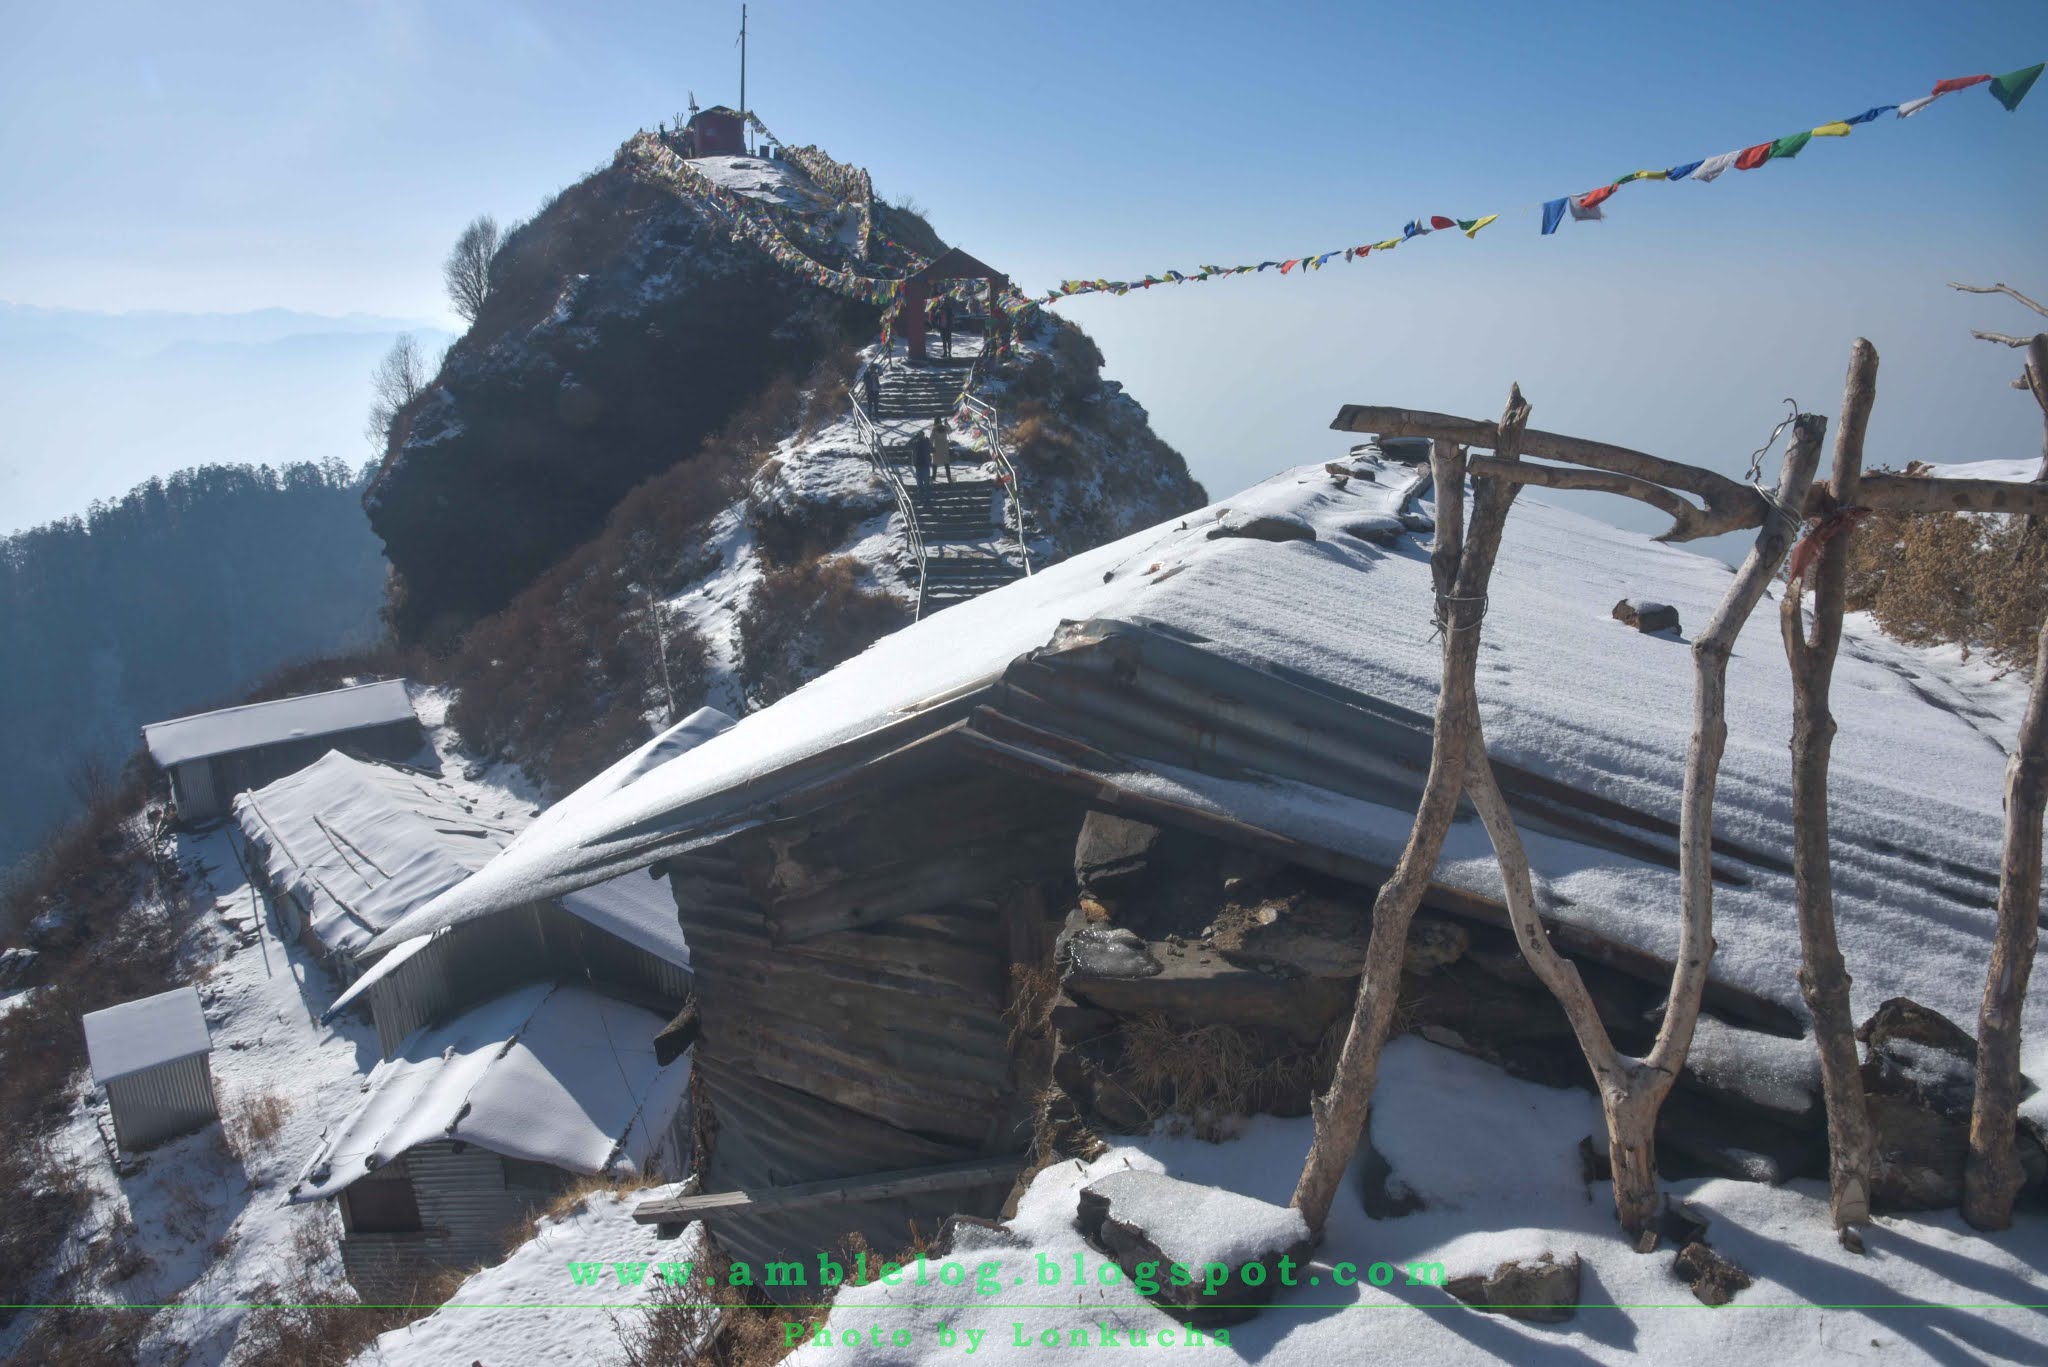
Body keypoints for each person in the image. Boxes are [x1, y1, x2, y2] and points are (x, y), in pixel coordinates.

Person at [910, 427, 933, 499]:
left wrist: (914, 437)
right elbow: (933, 450)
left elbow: (907, 445)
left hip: (919, 465)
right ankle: (927, 498)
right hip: (925, 465)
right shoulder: (926, 443)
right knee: (926, 484)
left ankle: (921, 498)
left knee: (920, 484)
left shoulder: (915, 443)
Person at [932, 416, 953, 484]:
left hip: (937, 448)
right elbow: (950, 431)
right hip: (944, 448)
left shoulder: (934, 429)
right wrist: (946, 423)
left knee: (934, 463)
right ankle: (949, 478)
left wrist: (930, 448)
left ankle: (934, 476)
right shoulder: (945, 428)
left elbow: (931, 439)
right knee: (946, 464)